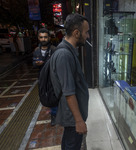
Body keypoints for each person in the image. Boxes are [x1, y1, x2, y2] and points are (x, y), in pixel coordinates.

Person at [49, 13, 89, 150]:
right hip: (72, 117)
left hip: (72, 116)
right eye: (86, 32)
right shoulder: (64, 55)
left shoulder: (69, 51)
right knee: (72, 145)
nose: (87, 36)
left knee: (69, 143)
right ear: (76, 33)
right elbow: (69, 92)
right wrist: (78, 121)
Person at [32, 28, 57, 126]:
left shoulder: (54, 50)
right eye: (41, 37)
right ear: (38, 38)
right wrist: (36, 63)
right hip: (42, 78)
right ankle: (52, 110)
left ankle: (54, 115)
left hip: (53, 77)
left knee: (53, 96)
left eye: (45, 37)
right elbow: (33, 63)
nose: (43, 39)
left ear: (49, 38)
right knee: (44, 95)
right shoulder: (36, 51)